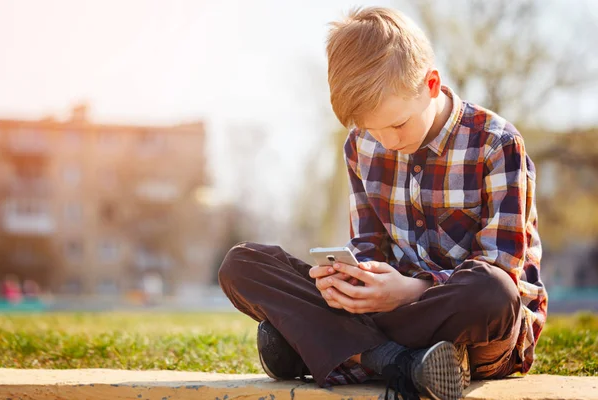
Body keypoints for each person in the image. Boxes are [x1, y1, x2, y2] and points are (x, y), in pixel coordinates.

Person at [218, 7, 547, 400]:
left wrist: (409, 290)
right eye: (370, 128)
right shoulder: (361, 146)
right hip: (387, 311)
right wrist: (349, 281)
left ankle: (329, 348)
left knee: (491, 290)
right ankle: (397, 360)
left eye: (397, 125)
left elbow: (502, 269)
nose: (387, 141)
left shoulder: (497, 144)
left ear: (430, 83)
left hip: (477, 328)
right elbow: (369, 248)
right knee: (242, 264)